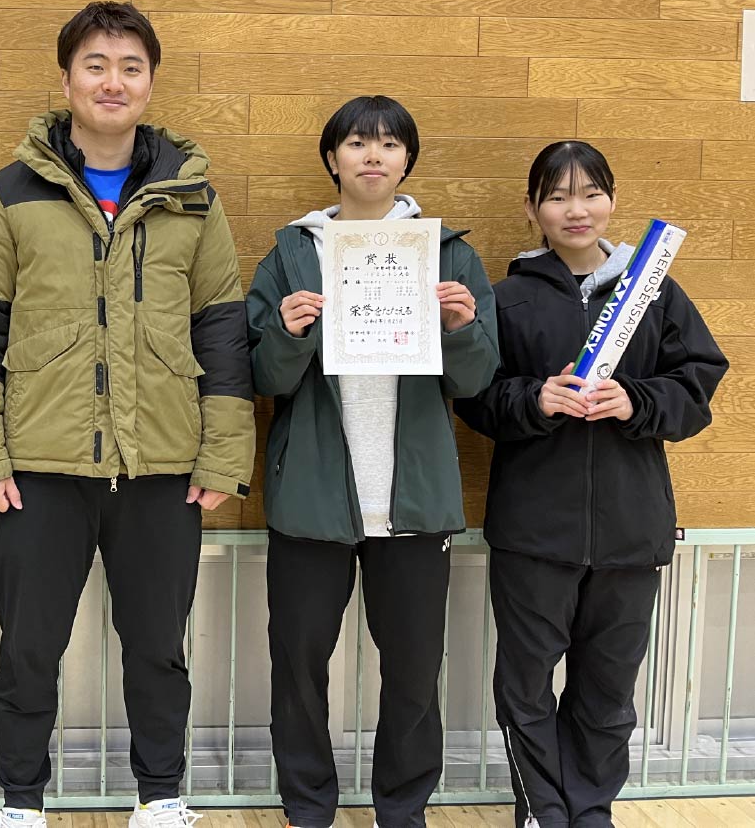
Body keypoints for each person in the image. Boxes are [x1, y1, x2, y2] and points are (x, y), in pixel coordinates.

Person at [0, 1, 256, 828]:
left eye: (129, 66)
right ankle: (20, 801)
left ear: (149, 82)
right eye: (95, 64)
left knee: (157, 647)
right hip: (38, 466)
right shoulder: (6, 195)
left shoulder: (193, 199)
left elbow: (222, 332)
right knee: (27, 648)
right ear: (66, 79)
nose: (111, 81)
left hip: (162, 465)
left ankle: (161, 794)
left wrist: (222, 458)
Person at [454, 141, 727, 828]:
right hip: (532, 532)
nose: (575, 210)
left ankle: (590, 810)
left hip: (630, 532)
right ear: (531, 209)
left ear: (611, 200)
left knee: (607, 691)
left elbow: (696, 389)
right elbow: (473, 398)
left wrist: (636, 401)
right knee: (524, 686)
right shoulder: (506, 298)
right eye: (556, 196)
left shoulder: (654, 291)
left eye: (590, 193)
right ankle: (542, 811)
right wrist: (533, 398)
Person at [246, 95, 500, 828]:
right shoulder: (292, 253)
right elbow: (262, 375)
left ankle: (402, 808)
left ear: (406, 160)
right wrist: (290, 333)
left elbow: (477, 380)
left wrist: (460, 327)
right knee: (298, 666)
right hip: (313, 499)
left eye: (389, 144)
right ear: (332, 157)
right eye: (357, 142)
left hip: (413, 500)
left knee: (414, 670)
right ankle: (307, 805)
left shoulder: (447, 253)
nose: (372, 155)